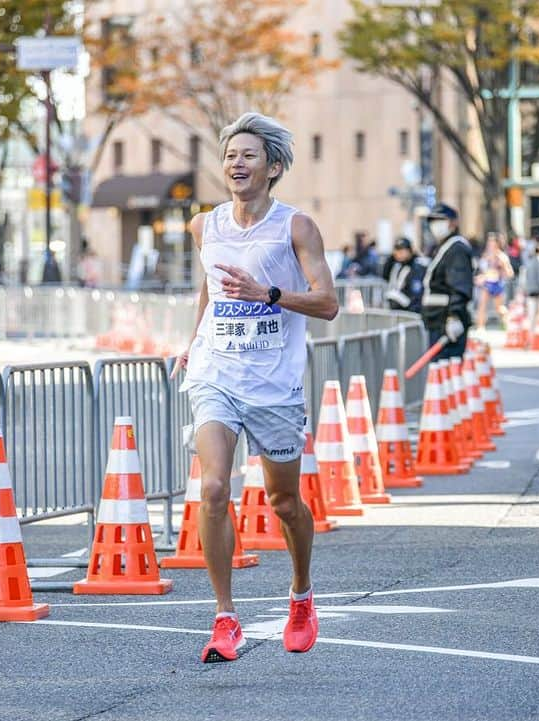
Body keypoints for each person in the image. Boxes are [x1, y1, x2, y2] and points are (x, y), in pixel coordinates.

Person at [171, 112, 338, 663]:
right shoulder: (205, 226)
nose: (235, 164)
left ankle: (301, 595)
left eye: (247, 155)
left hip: (275, 384)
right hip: (215, 373)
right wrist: (191, 342)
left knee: (285, 502)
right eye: (229, 156)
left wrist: (268, 294)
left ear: (273, 166)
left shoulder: (296, 227)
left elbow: (328, 303)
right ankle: (225, 619)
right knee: (214, 488)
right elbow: (210, 292)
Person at [419, 203, 473, 359]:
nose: (435, 225)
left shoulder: (456, 249)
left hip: (447, 324)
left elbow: (460, 286)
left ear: (453, 222)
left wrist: (454, 316)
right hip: (437, 322)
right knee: (440, 375)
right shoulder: (443, 247)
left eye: (440, 220)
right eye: (432, 221)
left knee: (447, 373)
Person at [474, 234, 513, 332]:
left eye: (493, 244)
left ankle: (509, 325)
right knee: (482, 305)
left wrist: (501, 269)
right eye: (489, 244)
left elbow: (509, 273)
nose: (490, 246)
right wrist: (480, 277)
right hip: (486, 283)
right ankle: (480, 327)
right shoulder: (485, 255)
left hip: (497, 284)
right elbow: (482, 270)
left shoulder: (501, 256)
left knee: (499, 308)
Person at [381, 237, 426, 313]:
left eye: (402, 251)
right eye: (397, 251)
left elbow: (416, 293)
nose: (398, 254)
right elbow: (385, 275)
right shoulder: (397, 265)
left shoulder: (417, 267)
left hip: (409, 310)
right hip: (396, 308)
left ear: (409, 251)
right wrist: (391, 258)